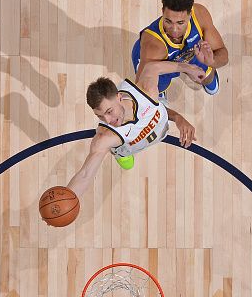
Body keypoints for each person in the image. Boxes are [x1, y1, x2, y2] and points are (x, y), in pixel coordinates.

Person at [66, 61, 205, 198]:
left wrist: (189, 69)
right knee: (127, 164)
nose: (108, 121)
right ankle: (122, 155)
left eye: (109, 112)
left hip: (161, 126)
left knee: (157, 94)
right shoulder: (106, 137)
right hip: (126, 146)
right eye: (100, 116)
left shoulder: (146, 91)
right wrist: (67, 199)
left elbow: (154, 66)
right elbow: (85, 174)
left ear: (119, 97)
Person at [131, 0, 229, 98]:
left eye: (180, 23)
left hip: (190, 52)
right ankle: (160, 92)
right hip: (157, 62)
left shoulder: (200, 15)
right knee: (153, 91)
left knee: (207, 77)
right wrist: (185, 68)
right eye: (168, 21)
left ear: (190, 15)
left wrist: (211, 61)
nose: (174, 29)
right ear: (162, 11)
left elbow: (223, 55)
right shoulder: (153, 44)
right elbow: (142, 92)